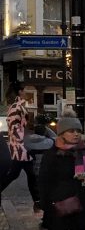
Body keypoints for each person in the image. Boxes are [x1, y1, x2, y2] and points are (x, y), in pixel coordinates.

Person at [1, 83, 41, 211]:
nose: (25, 93)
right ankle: (38, 203)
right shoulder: (16, 107)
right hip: (20, 148)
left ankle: (37, 202)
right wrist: (24, 140)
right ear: (19, 92)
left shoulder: (18, 106)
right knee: (29, 174)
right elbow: (14, 127)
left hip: (21, 147)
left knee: (18, 174)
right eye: (24, 91)